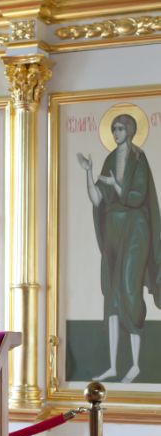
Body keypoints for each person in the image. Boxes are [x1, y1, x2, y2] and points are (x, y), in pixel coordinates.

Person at [78, 113, 161, 383]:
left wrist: (115, 184)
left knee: (129, 290)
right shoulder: (110, 159)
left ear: (131, 131)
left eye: (120, 128)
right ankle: (114, 366)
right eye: (113, 128)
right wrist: (89, 172)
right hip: (113, 234)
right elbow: (97, 199)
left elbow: (137, 197)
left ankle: (135, 364)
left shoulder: (139, 159)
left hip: (136, 231)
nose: (116, 133)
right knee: (112, 297)